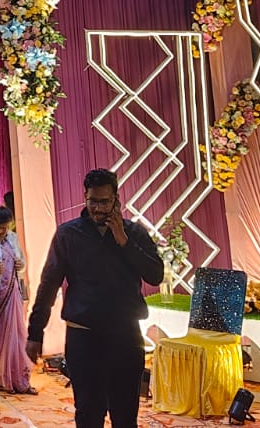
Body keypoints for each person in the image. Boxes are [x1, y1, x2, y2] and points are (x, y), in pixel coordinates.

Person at [26, 168, 164, 428]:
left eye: (104, 201)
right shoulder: (68, 234)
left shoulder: (134, 233)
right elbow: (49, 285)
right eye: (92, 201)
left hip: (125, 337)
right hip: (83, 338)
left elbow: (155, 275)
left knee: (125, 416)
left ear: (116, 200)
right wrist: (35, 332)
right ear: (85, 198)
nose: (98, 208)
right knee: (88, 414)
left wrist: (123, 241)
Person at [0, 206, 33, 394]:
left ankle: (18, 378)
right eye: (0, 227)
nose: (4, 231)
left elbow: (22, 263)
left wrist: (21, 265)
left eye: (7, 227)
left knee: (16, 336)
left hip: (12, 294)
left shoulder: (12, 237)